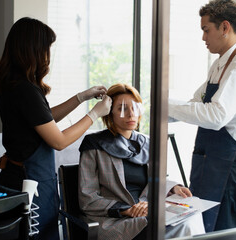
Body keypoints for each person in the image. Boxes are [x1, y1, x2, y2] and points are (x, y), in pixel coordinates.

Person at [0, 17, 112, 240]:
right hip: (29, 182)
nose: (48, 55)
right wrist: (94, 114)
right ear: (34, 49)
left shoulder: (15, 83)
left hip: (18, 177)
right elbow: (58, 141)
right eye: (46, 48)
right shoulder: (25, 90)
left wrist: (81, 97)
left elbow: (43, 120)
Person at [169, 0, 236, 232]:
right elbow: (196, 103)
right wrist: (162, 111)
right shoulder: (220, 64)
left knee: (227, 229)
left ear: (224, 27)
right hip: (210, 159)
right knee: (203, 225)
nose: (203, 38)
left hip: (232, 163)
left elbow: (215, 116)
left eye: (206, 30)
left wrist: (165, 107)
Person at [78, 83, 205, 240]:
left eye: (135, 107)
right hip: (118, 220)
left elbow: (156, 182)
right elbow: (87, 198)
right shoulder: (94, 144)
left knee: (192, 215)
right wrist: (126, 210)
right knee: (181, 227)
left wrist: (173, 188)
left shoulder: (148, 142)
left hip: (149, 211)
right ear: (109, 113)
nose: (131, 114)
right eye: (122, 109)